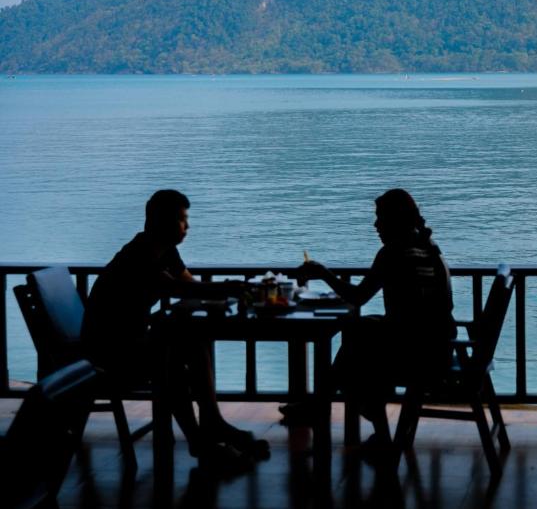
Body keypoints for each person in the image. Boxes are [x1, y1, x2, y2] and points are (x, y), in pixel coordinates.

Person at [81, 189, 268, 473]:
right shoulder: (139, 257)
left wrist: (219, 293)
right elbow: (180, 288)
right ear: (160, 221)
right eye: (182, 220)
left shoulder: (164, 251)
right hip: (110, 355)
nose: (187, 227)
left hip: (132, 344)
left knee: (184, 345)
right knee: (181, 349)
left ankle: (206, 432)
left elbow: (189, 285)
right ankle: (208, 430)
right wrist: (229, 288)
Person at [288, 189, 455, 452]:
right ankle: (325, 403)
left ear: (395, 220)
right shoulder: (430, 249)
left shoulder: (393, 252)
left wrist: (322, 273)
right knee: (359, 336)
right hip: (438, 348)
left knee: (357, 356)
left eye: (380, 218)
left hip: (417, 356)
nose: (375, 225)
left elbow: (358, 296)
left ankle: (324, 403)